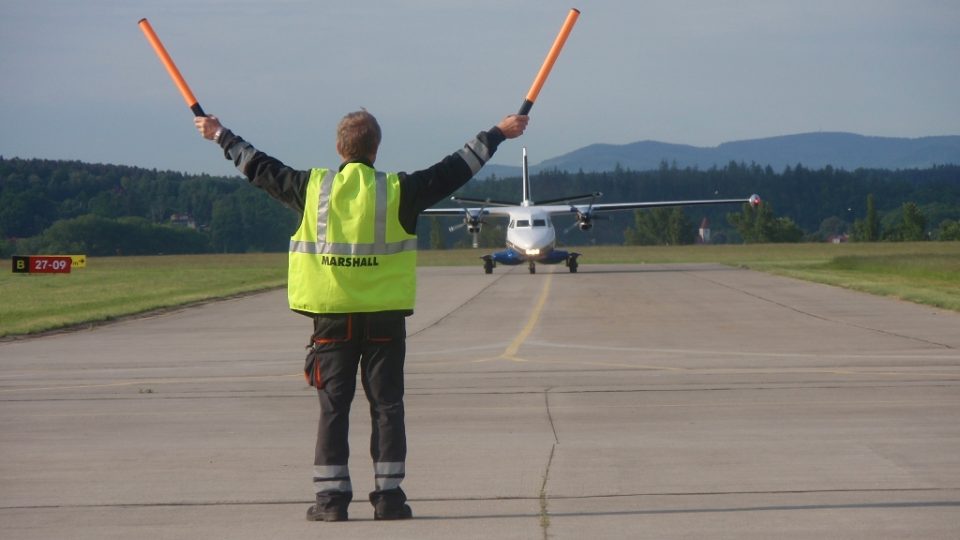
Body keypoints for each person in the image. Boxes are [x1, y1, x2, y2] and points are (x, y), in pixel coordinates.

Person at [194, 110, 527, 522]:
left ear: (339, 148)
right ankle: (389, 498)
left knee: (333, 408)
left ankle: (331, 502)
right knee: (387, 406)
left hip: (332, 317)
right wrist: (497, 134)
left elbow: (259, 167)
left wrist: (220, 135)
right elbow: (454, 170)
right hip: (385, 318)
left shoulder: (312, 188)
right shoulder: (397, 190)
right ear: (376, 150)